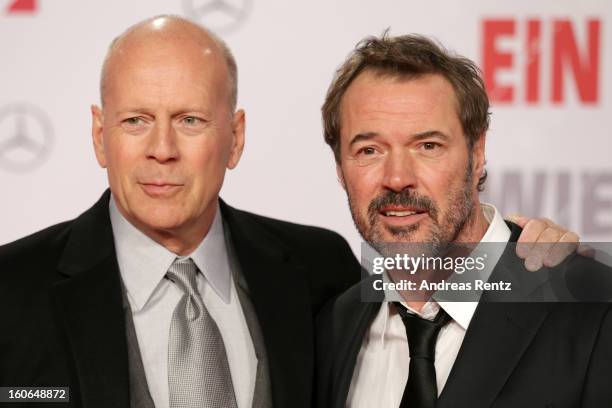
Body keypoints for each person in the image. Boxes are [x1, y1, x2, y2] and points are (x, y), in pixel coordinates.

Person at [0, 15, 584, 408]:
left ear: (235, 137)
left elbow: (448, 266)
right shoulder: (9, 291)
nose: (161, 148)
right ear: (100, 136)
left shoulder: (317, 271)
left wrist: (518, 246)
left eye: (190, 120)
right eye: (135, 120)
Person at [316, 33, 612, 408]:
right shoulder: (334, 326)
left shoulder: (592, 309)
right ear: (341, 168)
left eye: (428, 146)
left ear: (477, 152)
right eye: (369, 150)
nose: (396, 177)